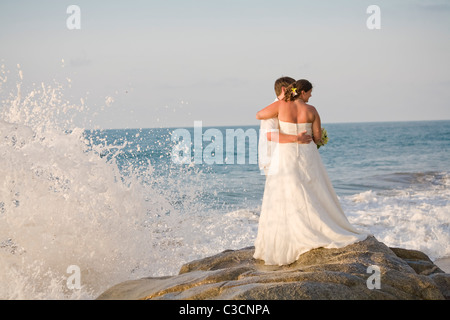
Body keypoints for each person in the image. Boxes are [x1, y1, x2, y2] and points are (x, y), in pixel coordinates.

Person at [253, 79, 367, 266]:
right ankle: (318, 228)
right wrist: (318, 138)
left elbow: (260, 116)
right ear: (303, 92)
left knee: (287, 192)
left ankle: (289, 234)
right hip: (308, 154)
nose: (311, 96)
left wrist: (291, 134)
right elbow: (316, 138)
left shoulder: (280, 106)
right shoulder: (312, 110)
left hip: (286, 154)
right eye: (310, 93)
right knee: (314, 189)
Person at [258, 77, 312, 175]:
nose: (297, 93)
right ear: (284, 89)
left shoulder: (290, 108)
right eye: (294, 89)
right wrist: (297, 138)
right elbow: (270, 135)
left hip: (287, 158)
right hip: (272, 159)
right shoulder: (272, 109)